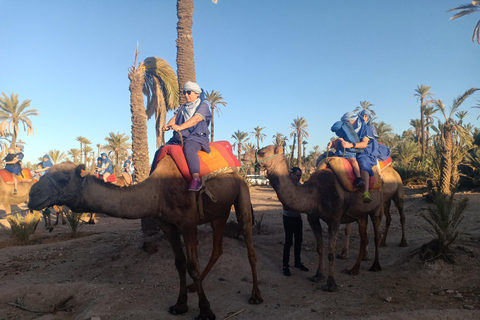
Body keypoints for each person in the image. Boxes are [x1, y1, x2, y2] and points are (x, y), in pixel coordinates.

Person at [163, 81, 212, 191]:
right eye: (185, 92)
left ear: (197, 93)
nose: (186, 95)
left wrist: (180, 127)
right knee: (162, 149)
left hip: (197, 137)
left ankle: (196, 179)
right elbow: (175, 118)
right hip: (181, 137)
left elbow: (195, 120)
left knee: (189, 148)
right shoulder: (182, 108)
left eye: (189, 92)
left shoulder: (203, 106)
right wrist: (168, 126)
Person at [328, 112, 378, 203]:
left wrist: (350, 145)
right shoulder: (347, 128)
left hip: (364, 150)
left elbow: (364, 143)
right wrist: (333, 143)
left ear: (351, 121)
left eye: (346, 122)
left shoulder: (365, 129)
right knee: (327, 159)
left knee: (363, 163)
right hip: (349, 150)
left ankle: (366, 192)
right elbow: (341, 137)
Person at [282, 167, 309, 276]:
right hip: (288, 217)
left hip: (297, 217)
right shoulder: (286, 187)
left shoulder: (299, 186)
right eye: (298, 175)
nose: (299, 178)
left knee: (299, 240)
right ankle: (285, 265)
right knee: (288, 241)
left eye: (300, 176)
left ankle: (297, 263)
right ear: (292, 175)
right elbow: (286, 206)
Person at [328, 118, 366, 189]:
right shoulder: (338, 138)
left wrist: (345, 143)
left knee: (354, 161)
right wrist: (331, 144)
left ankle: (359, 178)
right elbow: (334, 144)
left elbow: (352, 144)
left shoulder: (351, 137)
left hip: (349, 154)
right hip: (339, 154)